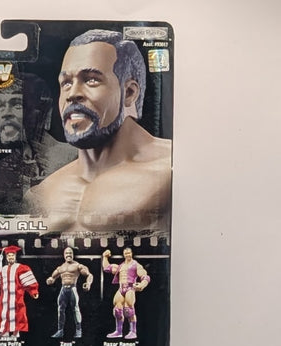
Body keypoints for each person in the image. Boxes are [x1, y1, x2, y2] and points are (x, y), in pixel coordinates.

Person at [25, 29, 172, 233]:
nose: (72, 94)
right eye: (66, 83)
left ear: (129, 93)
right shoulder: (42, 193)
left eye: (91, 80)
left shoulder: (171, 168)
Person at [0, 73, 77, 213]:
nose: (5, 114)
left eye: (17, 105)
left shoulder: (75, 159)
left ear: (45, 113)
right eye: (1, 107)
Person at [0, 245, 39, 339]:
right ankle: (4, 332)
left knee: (18, 315)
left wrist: (33, 291)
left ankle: (15, 333)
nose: (11, 257)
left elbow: (28, 281)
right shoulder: (2, 269)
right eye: (9, 255)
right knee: (3, 315)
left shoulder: (21, 268)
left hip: (17, 298)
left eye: (12, 255)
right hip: (4, 299)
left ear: (15, 256)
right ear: (6, 257)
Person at [102, 248, 149, 339]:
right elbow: (107, 268)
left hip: (130, 288)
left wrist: (142, 284)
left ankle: (133, 331)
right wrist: (104, 257)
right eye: (126, 253)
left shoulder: (136, 265)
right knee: (117, 310)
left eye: (129, 253)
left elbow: (145, 276)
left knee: (129, 310)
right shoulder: (120, 266)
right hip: (121, 288)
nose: (127, 255)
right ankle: (118, 331)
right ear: (123, 254)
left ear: (132, 253)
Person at [46, 247, 93, 338]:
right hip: (63, 289)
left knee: (75, 309)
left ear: (73, 254)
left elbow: (89, 275)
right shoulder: (60, 267)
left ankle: (79, 331)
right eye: (66, 253)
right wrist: (50, 280)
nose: (68, 255)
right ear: (64, 255)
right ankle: (60, 331)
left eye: (70, 253)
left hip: (72, 289)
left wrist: (88, 284)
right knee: (60, 309)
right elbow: (52, 278)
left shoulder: (77, 265)